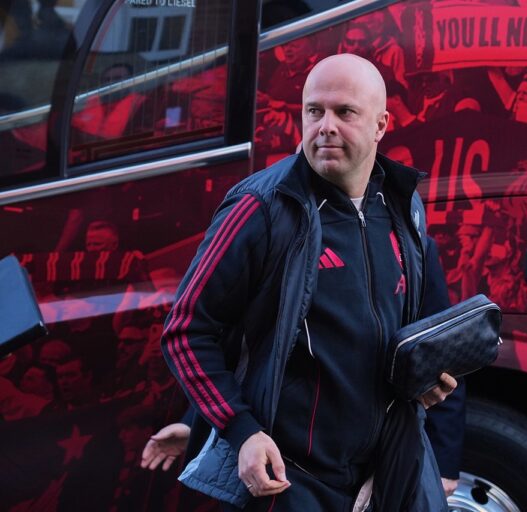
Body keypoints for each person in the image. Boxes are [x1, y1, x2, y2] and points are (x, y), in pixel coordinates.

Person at [160, 54, 456, 511]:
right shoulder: (261, 207)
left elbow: (404, 334)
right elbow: (185, 330)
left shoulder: (403, 208)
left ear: (381, 125)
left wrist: (423, 380)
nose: (326, 126)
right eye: (314, 111)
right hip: (291, 481)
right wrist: (241, 430)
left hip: (385, 476)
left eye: (345, 112)